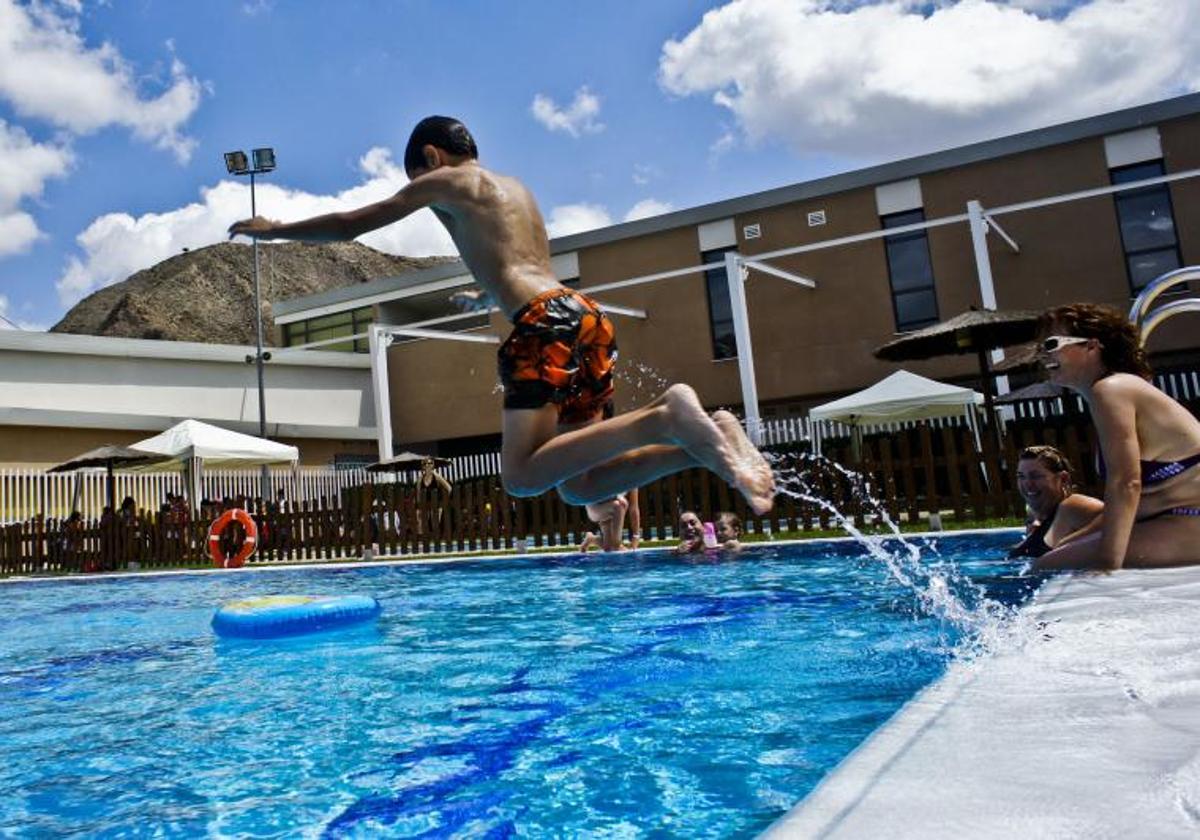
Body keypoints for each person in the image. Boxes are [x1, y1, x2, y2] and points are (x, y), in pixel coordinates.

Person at [229, 116, 774, 516]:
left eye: (420, 176)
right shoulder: (518, 191)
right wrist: (485, 299)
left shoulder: (447, 181)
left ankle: (666, 416)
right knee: (581, 486)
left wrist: (274, 230)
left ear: (432, 159)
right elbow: (521, 264)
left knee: (519, 477)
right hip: (584, 316)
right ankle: (703, 443)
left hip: (543, 322)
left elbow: (351, 223)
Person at [1033, 303, 1200, 571]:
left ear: (1091, 346)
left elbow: (1126, 483)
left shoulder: (1111, 390)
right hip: (1170, 520)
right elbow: (1122, 503)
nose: (1043, 354)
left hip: (1190, 520)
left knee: (1045, 567)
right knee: (1050, 557)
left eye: (1051, 344)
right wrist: (1068, 543)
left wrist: (1106, 565)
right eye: (1040, 347)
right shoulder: (1114, 389)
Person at [1008, 445, 1102, 559]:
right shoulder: (1038, 514)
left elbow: (1117, 519)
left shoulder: (1072, 507)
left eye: (1036, 476)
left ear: (1063, 479)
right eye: (1021, 476)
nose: (1027, 484)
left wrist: (1063, 545)